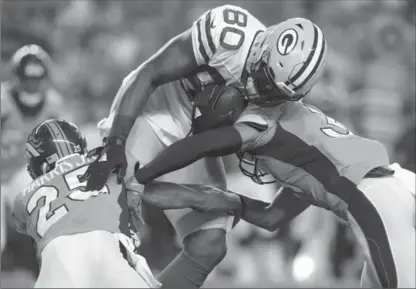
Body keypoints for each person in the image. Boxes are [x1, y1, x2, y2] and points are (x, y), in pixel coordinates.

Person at [132, 20, 415, 289]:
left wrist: (139, 176)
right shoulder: (309, 162)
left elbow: (199, 146)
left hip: (375, 196)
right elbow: (272, 218)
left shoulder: (261, 122)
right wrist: (220, 199)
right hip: (398, 184)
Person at [82, 5, 279, 289]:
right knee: (107, 218)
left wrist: (200, 196)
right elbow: (151, 73)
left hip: (197, 136)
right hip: (155, 110)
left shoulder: (276, 105)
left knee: (210, 243)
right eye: (267, 78)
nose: (264, 91)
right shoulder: (229, 34)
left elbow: (204, 144)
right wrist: (116, 142)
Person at [10, 119, 161, 288]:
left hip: (58, 254)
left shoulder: (23, 194)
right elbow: (140, 176)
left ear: (41, 165)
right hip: (108, 245)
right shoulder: (105, 160)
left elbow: (22, 232)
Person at [1, 44, 67, 185]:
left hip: (38, 183)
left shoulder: (54, 105)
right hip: (3, 180)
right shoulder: (3, 101)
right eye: (27, 78)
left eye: (36, 78)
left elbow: (65, 148)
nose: (32, 84)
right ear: (17, 76)